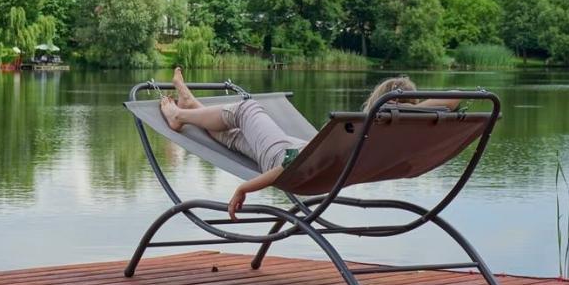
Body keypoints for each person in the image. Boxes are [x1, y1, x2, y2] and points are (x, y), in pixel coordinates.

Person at [159, 69, 460, 221]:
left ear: (376, 103)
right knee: (236, 136)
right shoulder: (396, 140)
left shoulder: (361, 135)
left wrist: (245, 187)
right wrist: (406, 112)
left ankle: (179, 114)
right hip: (305, 157)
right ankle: (193, 106)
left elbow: (285, 168)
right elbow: (456, 96)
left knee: (245, 110)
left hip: (290, 162)